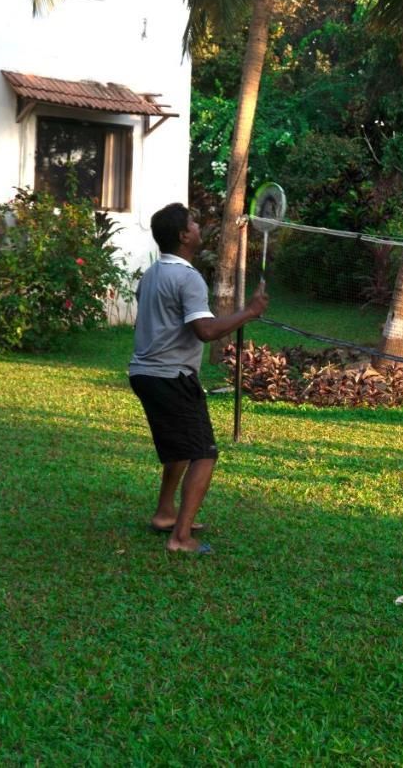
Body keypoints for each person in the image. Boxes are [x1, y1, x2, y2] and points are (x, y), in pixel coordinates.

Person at [129, 203, 269, 554]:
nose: (198, 225)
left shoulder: (151, 274)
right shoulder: (188, 278)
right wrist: (249, 312)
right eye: (192, 221)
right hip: (171, 376)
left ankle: (165, 514)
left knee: (180, 447)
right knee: (204, 453)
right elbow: (205, 330)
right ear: (183, 235)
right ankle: (181, 537)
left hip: (144, 374)